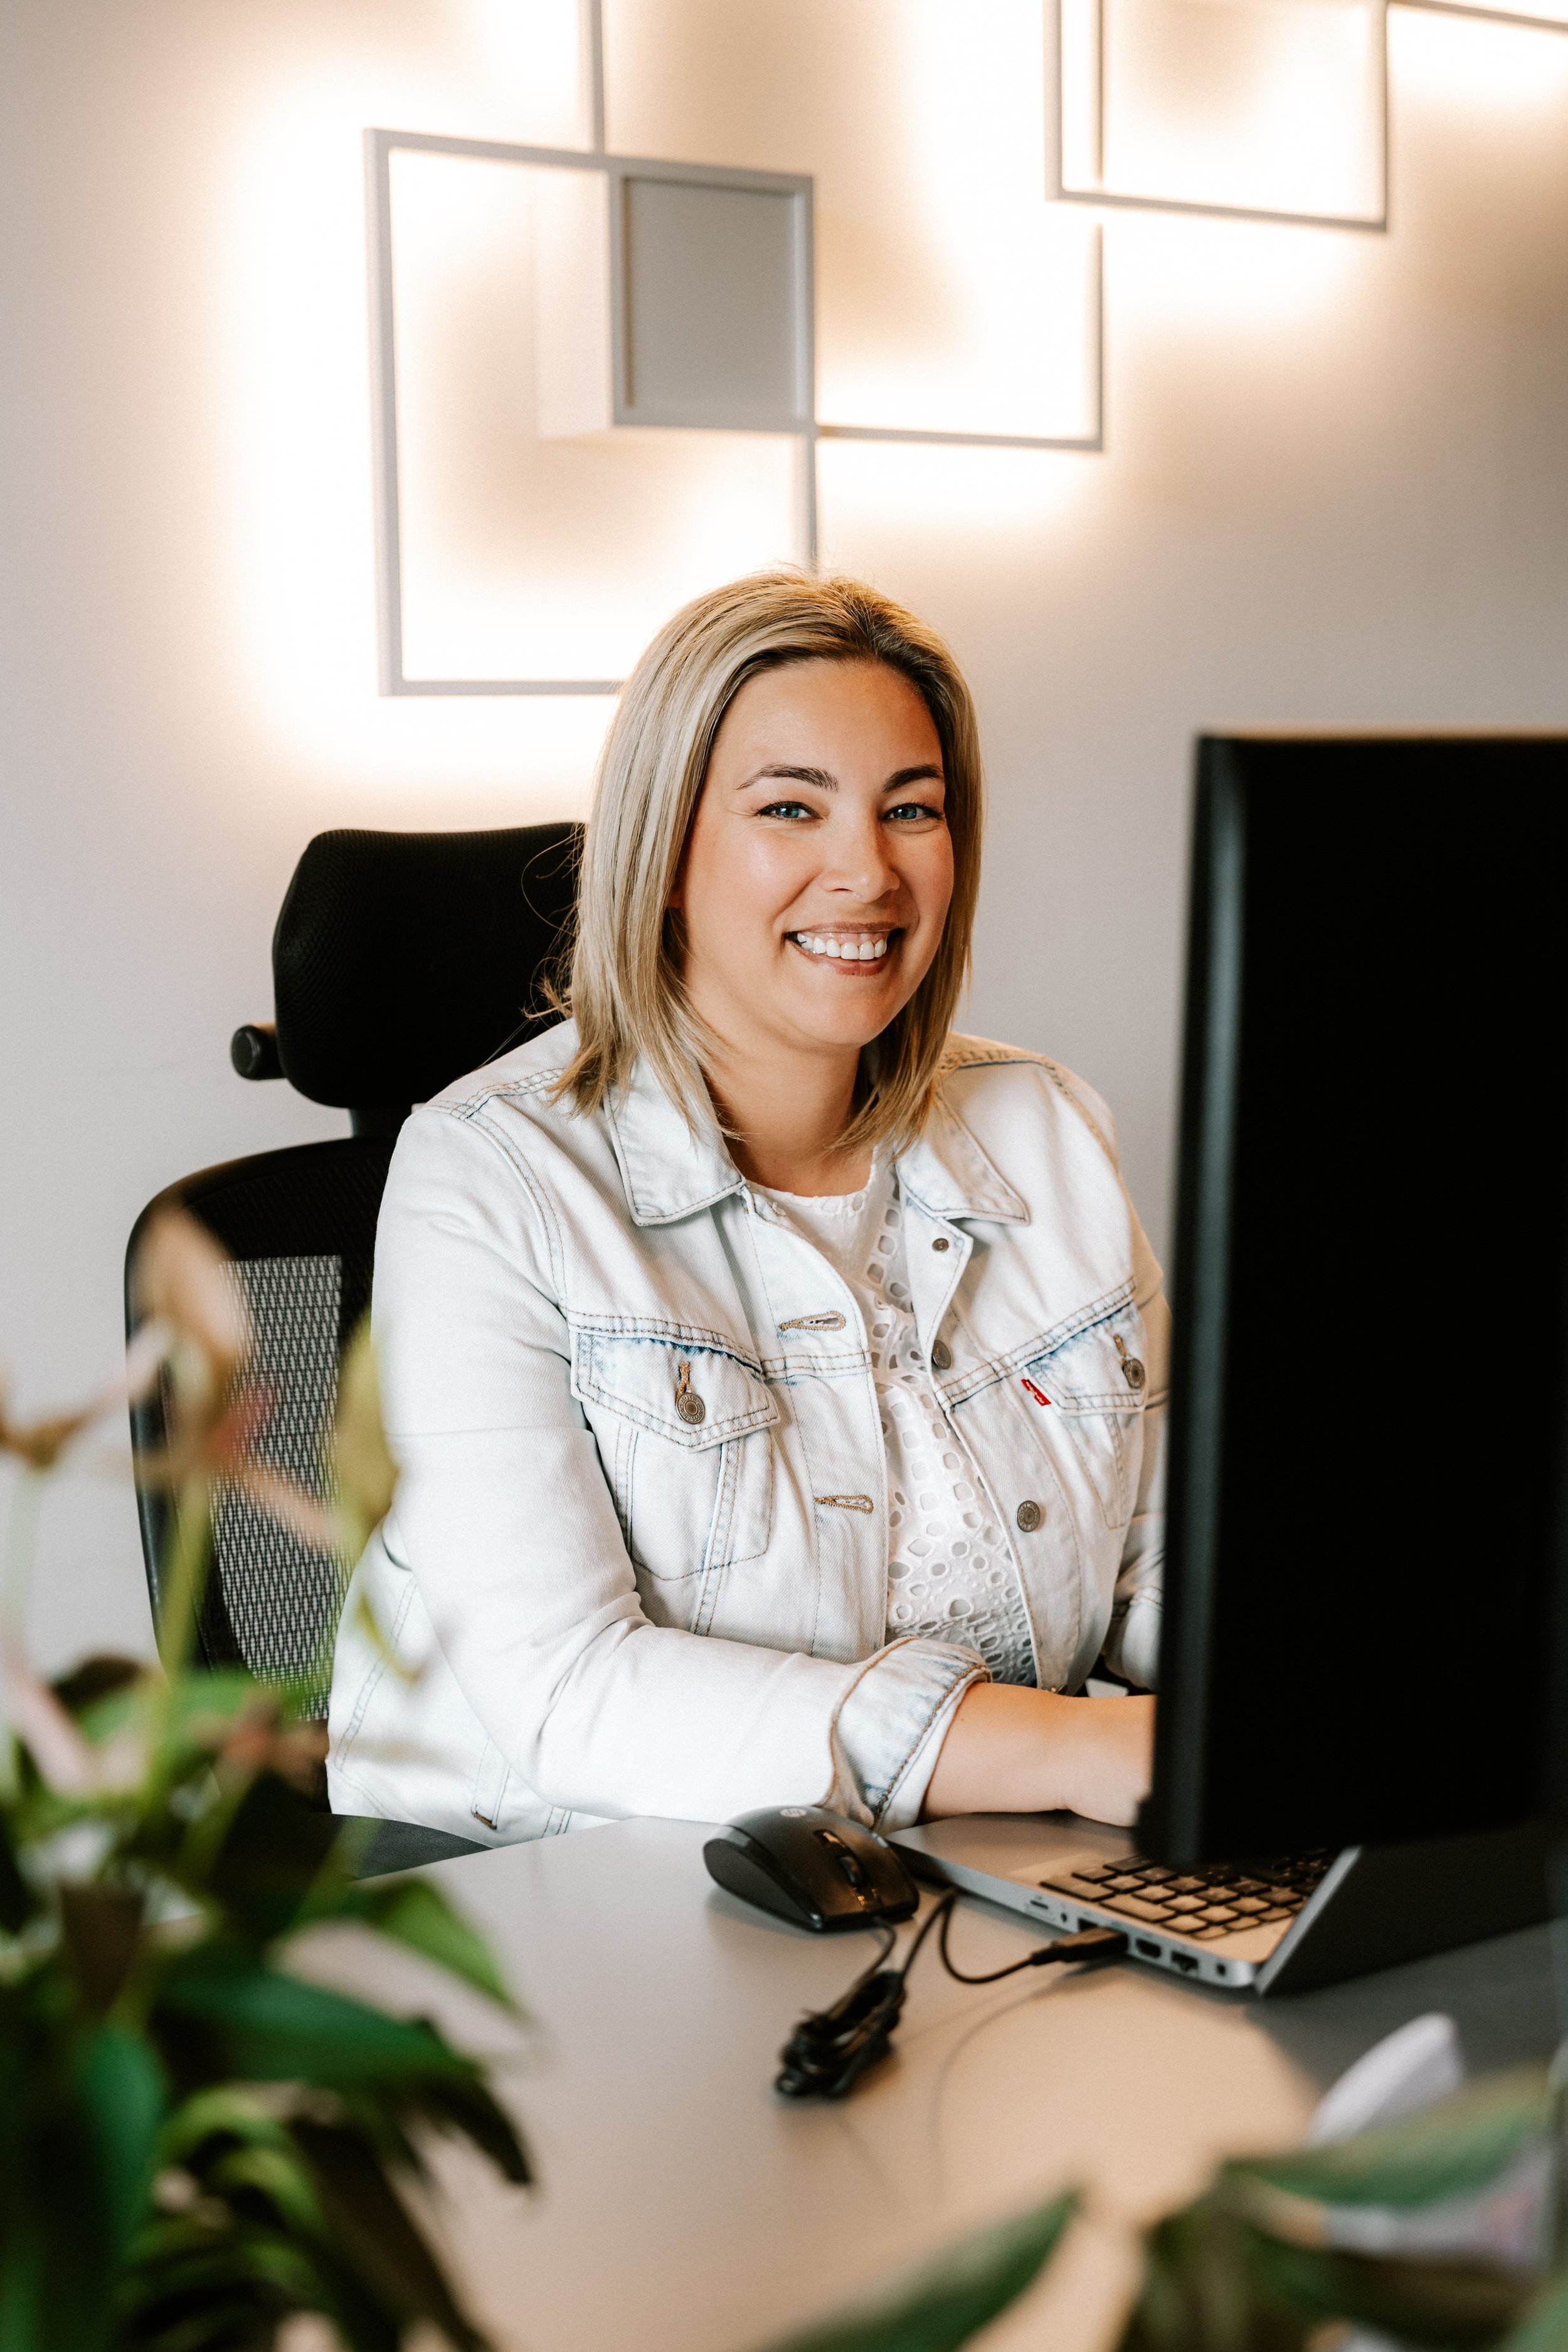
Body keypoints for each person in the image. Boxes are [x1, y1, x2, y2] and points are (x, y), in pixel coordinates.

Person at [327, 572, 1167, 1847]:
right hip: (566, 1874)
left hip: (961, 1856)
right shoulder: (486, 1177)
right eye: (790, 808)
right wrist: (1065, 1745)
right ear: (665, 854)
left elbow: (1157, 1558)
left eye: (911, 809)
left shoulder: (1043, 1127)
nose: (867, 873)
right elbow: (568, 1694)